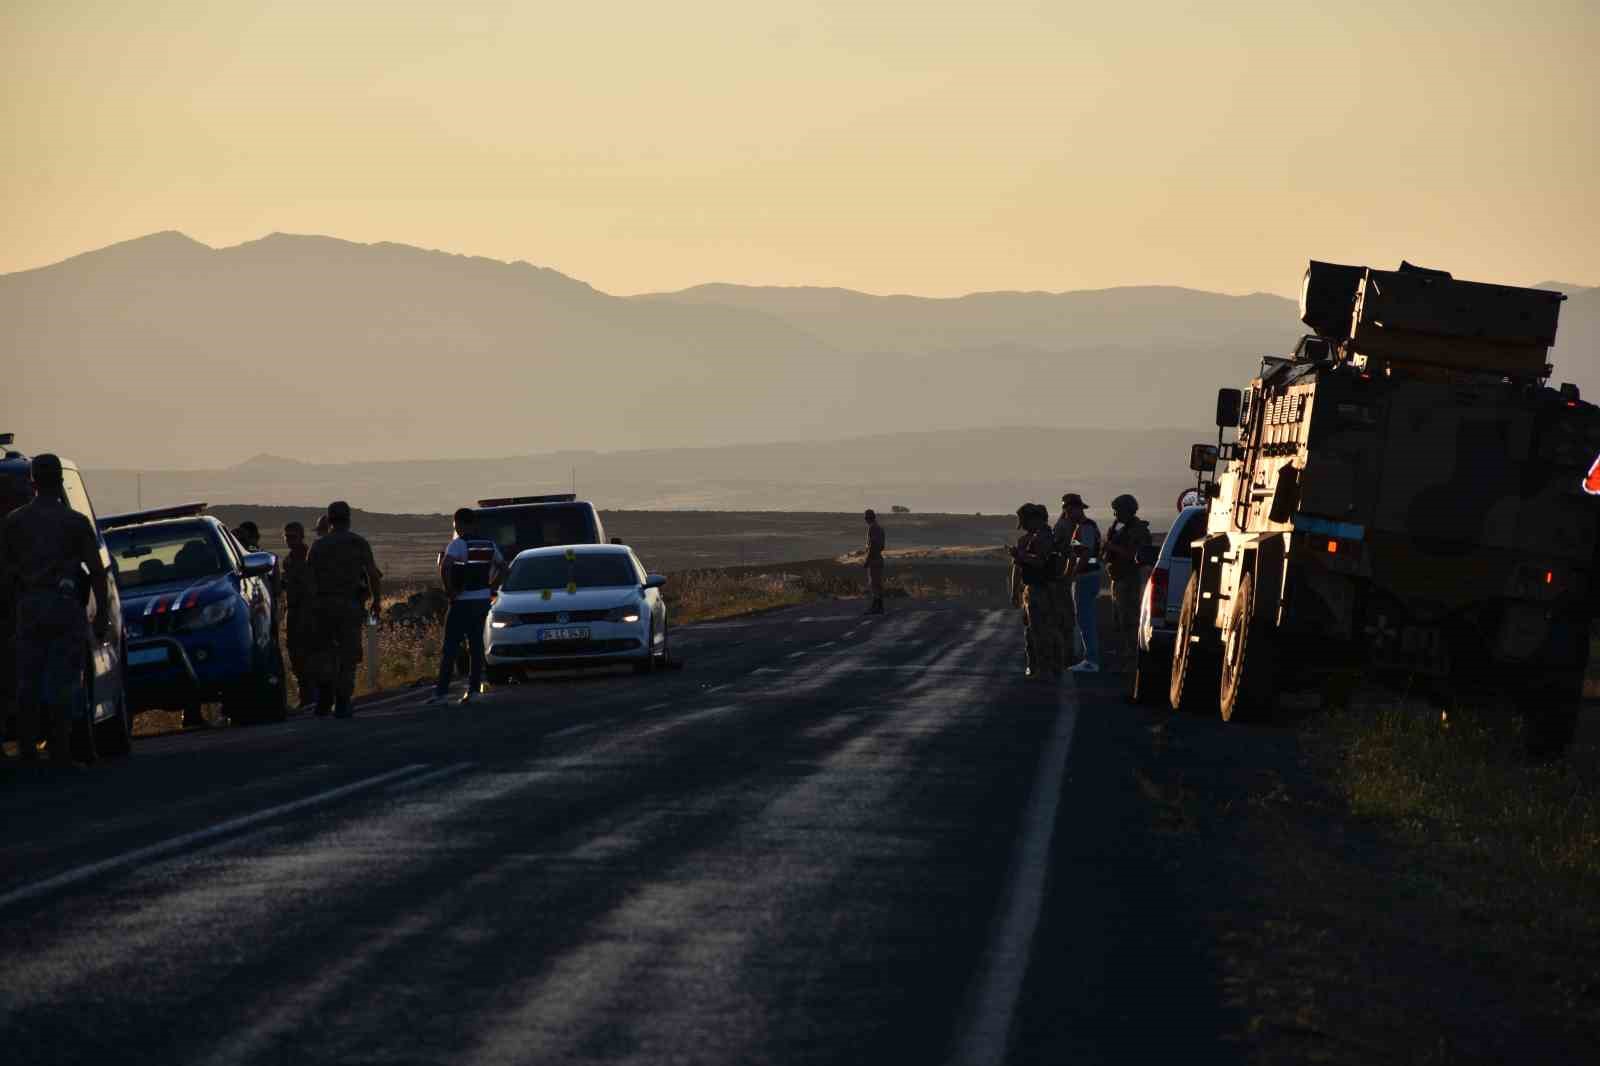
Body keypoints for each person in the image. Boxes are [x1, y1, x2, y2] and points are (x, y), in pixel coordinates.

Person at [0, 454, 111, 763]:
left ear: (32, 482)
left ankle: (26, 751)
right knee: (64, 680)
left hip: (28, 607)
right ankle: (61, 749)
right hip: (65, 607)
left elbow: (6, 574)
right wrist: (102, 613)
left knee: (27, 681)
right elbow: (97, 571)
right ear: (60, 481)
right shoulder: (75, 522)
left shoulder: (14, 523)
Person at [305, 500, 382, 719]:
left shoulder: (318, 546)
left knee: (325, 653)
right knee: (348, 655)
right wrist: (376, 601)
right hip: (350, 606)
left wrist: (313, 608)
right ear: (348, 519)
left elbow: (309, 581)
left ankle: (324, 699)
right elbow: (372, 574)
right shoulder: (358, 543)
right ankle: (342, 701)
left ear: (329, 520)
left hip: (324, 607)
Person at [427, 508, 505, 706]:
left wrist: (450, 591)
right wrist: (492, 589)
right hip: (482, 602)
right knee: (476, 646)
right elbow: (504, 568)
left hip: (461, 602)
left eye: (455, 524)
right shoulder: (489, 545)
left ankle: (442, 694)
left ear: (460, 523)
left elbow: (445, 566)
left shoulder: (458, 544)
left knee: (451, 647)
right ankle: (474, 690)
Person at [1008, 503, 1066, 679]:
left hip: (1041, 589)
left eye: (1025, 521)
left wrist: (1021, 556)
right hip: (1035, 588)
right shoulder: (1033, 539)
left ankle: (1044, 668)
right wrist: (1015, 590)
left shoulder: (1044, 538)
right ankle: (1043, 666)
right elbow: (1018, 569)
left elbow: (1039, 562)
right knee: (1038, 629)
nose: (1023, 526)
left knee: (1040, 631)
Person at [1103, 494, 1153, 671]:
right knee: (1119, 622)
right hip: (1118, 580)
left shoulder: (1137, 530)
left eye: (1118, 511)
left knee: (1129, 622)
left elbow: (1135, 555)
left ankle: (1131, 662)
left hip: (1129, 580)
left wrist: (1112, 547)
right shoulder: (1123, 529)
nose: (1116, 516)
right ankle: (1124, 659)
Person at [1061, 493, 1103, 673]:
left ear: (1078, 508)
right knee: (1085, 618)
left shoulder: (1085, 527)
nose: (1067, 512)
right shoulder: (1083, 526)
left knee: (1085, 619)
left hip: (1086, 578)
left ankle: (1091, 660)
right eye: (1066, 508)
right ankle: (1090, 658)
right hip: (1087, 577)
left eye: (1070, 508)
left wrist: (1073, 574)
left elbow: (1085, 555)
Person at [280, 521, 317, 710]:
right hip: (293, 611)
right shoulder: (288, 560)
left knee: (310, 655)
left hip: (309, 611)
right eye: (286, 537)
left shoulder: (310, 556)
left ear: (301, 536)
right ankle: (306, 696)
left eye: (292, 536)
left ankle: (315, 695)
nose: (289, 540)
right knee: (296, 656)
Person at [863, 509, 886, 615]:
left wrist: (867, 560)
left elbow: (872, 545)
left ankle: (875, 607)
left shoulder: (872, 528)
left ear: (867, 518)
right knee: (877, 584)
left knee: (874, 584)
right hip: (879, 558)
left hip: (874, 559)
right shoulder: (880, 528)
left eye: (865, 516)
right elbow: (881, 546)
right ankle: (879, 607)